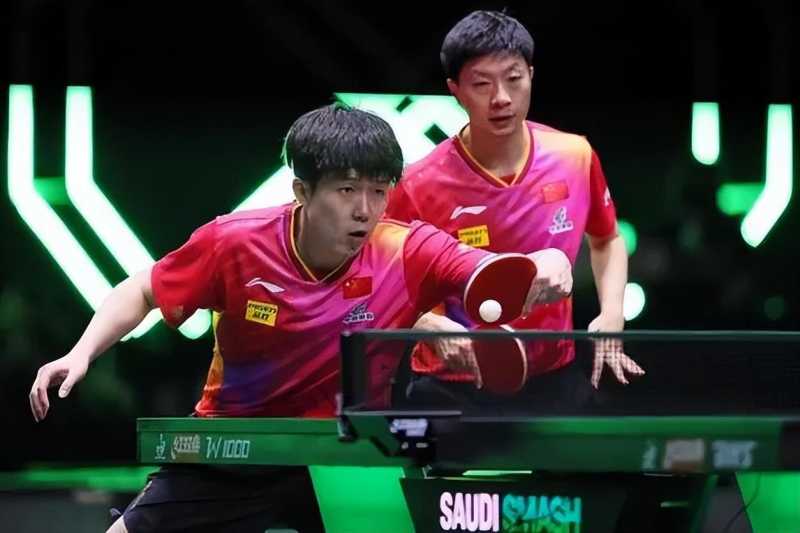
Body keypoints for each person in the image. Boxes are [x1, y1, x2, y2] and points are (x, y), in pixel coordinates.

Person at [29, 102, 573, 532]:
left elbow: (492, 270)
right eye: (347, 189)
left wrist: (548, 261)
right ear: (302, 191)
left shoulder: (407, 250)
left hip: (348, 459)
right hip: (236, 450)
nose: (365, 209)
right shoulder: (234, 243)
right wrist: (81, 353)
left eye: (379, 191)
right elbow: (143, 291)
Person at [385, 10, 644, 412]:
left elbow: (607, 240)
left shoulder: (574, 155)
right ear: (455, 90)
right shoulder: (419, 183)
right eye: (481, 84)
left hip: (554, 373)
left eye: (513, 78)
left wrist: (612, 314)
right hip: (450, 381)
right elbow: (384, 280)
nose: (501, 97)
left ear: (531, 76)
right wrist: (428, 325)